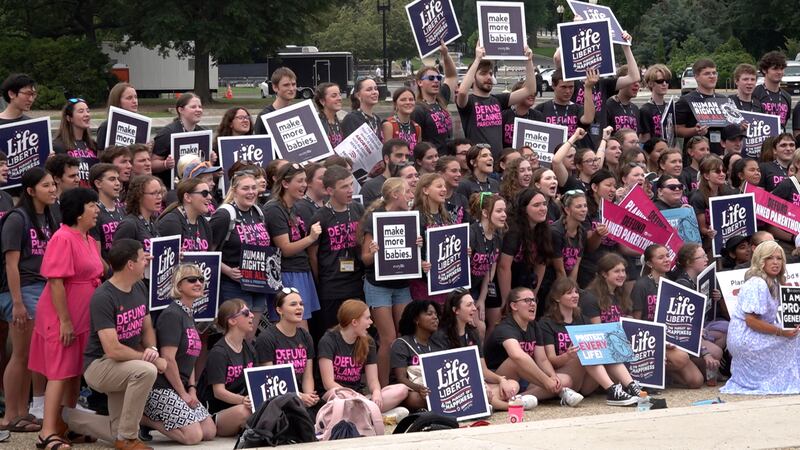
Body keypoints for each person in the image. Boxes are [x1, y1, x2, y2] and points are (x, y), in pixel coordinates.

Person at [29, 188, 104, 449]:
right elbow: (57, 282)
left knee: (74, 373)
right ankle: (47, 431)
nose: (97, 210)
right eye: (92, 205)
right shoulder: (62, 237)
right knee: (59, 373)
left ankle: (67, 425)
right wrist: (65, 321)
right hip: (63, 315)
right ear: (78, 210)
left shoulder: (87, 237)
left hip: (84, 315)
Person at [78, 238, 164, 450]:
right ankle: (128, 438)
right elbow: (112, 349)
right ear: (130, 264)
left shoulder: (139, 288)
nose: (147, 262)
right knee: (146, 371)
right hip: (100, 365)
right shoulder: (103, 297)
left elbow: (147, 329)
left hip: (124, 363)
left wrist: (152, 350)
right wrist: (149, 359)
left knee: (112, 433)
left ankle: (70, 420)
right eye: (143, 258)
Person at [0, 168, 58, 433]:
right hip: (21, 289)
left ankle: (23, 412)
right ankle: (10, 413)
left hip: (43, 288)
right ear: (31, 190)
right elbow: (11, 265)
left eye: (53, 185)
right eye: (46, 186)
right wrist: (18, 302)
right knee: (21, 354)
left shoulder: (48, 216)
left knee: (33, 355)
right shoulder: (17, 218)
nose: (53, 189)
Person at [142, 264, 216, 444]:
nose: (198, 283)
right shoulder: (172, 315)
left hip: (181, 386)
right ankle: (142, 418)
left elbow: (190, 358)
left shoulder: (189, 315)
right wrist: (182, 393)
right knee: (193, 436)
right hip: (161, 387)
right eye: (191, 280)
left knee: (209, 431)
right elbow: (168, 358)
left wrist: (192, 389)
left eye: (201, 279)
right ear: (179, 285)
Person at [538, 278, 640, 405]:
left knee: (607, 348)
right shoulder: (546, 323)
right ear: (557, 298)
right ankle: (612, 391)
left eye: (576, 292)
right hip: (563, 375)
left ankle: (633, 387)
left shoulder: (583, 319)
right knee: (588, 351)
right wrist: (567, 355)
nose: (575, 295)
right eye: (569, 293)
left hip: (586, 382)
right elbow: (551, 359)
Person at [358, 178, 418, 385]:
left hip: (401, 285)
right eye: (408, 192)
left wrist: (417, 244)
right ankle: (381, 388)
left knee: (404, 335)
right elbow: (364, 258)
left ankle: (404, 382)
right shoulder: (374, 219)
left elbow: (410, 255)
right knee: (388, 338)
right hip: (378, 286)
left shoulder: (409, 217)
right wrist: (374, 253)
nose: (411, 196)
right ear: (395, 195)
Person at [484, 286, 584, 407]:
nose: (533, 304)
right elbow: (517, 356)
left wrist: (552, 376)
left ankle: (522, 398)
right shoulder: (505, 328)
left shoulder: (534, 326)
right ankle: (558, 391)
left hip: (525, 378)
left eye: (534, 300)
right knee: (516, 360)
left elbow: (542, 359)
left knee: (565, 380)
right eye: (527, 300)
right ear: (514, 306)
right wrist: (546, 381)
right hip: (501, 378)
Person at [721, 241, 800, 394]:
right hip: (746, 337)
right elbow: (751, 321)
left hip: (754, 333)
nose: (776, 262)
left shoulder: (773, 282)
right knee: (795, 338)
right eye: (770, 258)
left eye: (779, 258)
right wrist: (781, 332)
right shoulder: (757, 283)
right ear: (760, 260)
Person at [432, 289, 520, 411]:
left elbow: (483, 369)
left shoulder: (473, 333)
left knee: (512, 384)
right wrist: (481, 384)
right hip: (455, 388)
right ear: (455, 310)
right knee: (482, 390)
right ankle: (510, 406)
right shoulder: (441, 336)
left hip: (476, 384)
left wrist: (501, 379)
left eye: (473, 304)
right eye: (469, 305)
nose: (474, 308)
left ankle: (487, 403)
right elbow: (447, 376)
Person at [631, 244, 704, 388]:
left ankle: (664, 373)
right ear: (650, 263)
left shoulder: (672, 282)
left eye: (667, 256)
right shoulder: (641, 285)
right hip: (650, 339)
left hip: (671, 338)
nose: (666, 260)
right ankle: (647, 372)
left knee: (696, 381)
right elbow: (636, 321)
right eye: (660, 257)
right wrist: (661, 341)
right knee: (682, 358)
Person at [318, 300, 409, 414]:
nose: (371, 322)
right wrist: (357, 397)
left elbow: (373, 380)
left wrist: (376, 393)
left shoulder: (368, 341)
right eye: (367, 318)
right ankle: (372, 413)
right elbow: (328, 384)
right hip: (336, 396)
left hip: (360, 397)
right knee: (338, 394)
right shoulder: (328, 340)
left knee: (402, 389)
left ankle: (366, 413)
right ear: (354, 322)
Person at [308, 165, 365, 342]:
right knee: (333, 334)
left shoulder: (357, 209)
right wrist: (321, 281)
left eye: (351, 184)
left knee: (357, 333)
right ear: (330, 190)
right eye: (344, 187)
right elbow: (313, 255)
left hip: (356, 283)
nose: (350, 190)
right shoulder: (320, 216)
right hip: (331, 286)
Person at [209, 171, 270, 336]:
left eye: (253, 188)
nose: (251, 192)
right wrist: (228, 270)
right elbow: (207, 252)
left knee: (249, 336)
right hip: (233, 285)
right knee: (235, 336)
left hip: (258, 284)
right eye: (245, 188)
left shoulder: (259, 212)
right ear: (234, 190)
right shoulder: (224, 215)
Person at [263, 163, 322, 327]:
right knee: (295, 329)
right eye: (300, 181)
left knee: (302, 331)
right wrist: (310, 238)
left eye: (305, 181)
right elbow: (286, 249)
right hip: (286, 274)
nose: (304, 185)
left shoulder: (295, 207)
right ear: (285, 183)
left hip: (301, 271)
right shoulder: (274, 209)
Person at [456, 43, 537, 158]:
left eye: (490, 73)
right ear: (473, 78)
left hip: (499, 163)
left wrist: (528, 60)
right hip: (478, 162)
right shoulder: (468, 102)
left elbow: (530, 89)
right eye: (483, 74)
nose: (489, 77)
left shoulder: (498, 100)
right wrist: (477, 59)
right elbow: (462, 91)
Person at [255, 288, 319, 407]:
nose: (299, 307)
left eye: (301, 304)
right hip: (276, 400)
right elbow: (271, 379)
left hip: (301, 397)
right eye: (293, 304)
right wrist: (298, 396)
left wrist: (309, 397)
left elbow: (307, 375)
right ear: (279, 310)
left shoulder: (305, 336)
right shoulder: (266, 338)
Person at [202, 299, 256, 437]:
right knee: (244, 412)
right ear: (232, 321)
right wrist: (242, 400)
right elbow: (219, 392)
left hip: (240, 405)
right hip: (216, 413)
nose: (252, 315)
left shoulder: (249, 348)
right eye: (245, 313)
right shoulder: (219, 352)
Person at [497, 188, 553, 316]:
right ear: (524, 209)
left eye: (544, 204)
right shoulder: (513, 231)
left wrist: (533, 296)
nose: (543, 208)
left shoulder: (544, 230)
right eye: (536, 205)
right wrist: (508, 302)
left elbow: (541, 263)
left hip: (525, 281)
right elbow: (503, 267)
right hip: (503, 283)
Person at [390, 300, 443, 410]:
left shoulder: (438, 344)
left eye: (436, 314)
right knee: (413, 398)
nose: (435, 317)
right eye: (429, 314)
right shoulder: (401, 344)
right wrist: (419, 388)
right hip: (412, 390)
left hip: (435, 390)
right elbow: (401, 378)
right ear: (416, 319)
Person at [675, 59, 730, 155]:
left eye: (714, 73)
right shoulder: (685, 100)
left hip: (718, 153)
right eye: (707, 74)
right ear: (696, 77)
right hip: (695, 155)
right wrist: (695, 131)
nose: (712, 76)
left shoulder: (723, 99)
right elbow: (677, 129)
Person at [469, 193, 506, 337]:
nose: (504, 215)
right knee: (480, 328)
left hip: (478, 289)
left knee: (492, 323)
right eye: (498, 211)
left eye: (504, 211)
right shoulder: (472, 234)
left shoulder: (497, 237)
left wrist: (482, 299)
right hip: (461, 290)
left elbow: (490, 270)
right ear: (485, 213)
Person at [152, 93, 206, 188]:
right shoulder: (167, 133)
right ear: (181, 110)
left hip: (195, 187)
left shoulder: (203, 132)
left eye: (200, 107)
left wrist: (210, 158)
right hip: (171, 188)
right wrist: (165, 164)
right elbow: (151, 163)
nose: (198, 110)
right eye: (193, 107)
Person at [413, 44, 457, 152]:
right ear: (420, 82)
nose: (436, 81)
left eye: (438, 78)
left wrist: (445, 54)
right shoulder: (417, 109)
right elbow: (415, 142)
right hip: (433, 162)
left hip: (448, 160)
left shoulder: (441, 99)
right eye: (431, 78)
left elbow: (451, 76)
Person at [688, 156, 737, 249]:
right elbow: (702, 229)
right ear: (706, 176)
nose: (722, 174)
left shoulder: (727, 192)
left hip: (727, 237)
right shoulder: (698, 197)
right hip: (707, 243)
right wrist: (708, 232)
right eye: (717, 171)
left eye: (724, 171)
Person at [534, 69, 597, 138]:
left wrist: (588, 88)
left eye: (571, 87)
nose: (568, 91)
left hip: (574, 147)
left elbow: (588, 119)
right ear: (553, 86)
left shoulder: (578, 109)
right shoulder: (541, 108)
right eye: (563, 87)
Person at [157, 178, 213, 252]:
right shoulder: (171, 223)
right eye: (205, 193)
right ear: (187, 197)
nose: (210, 197)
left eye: (209, 193)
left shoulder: (203, 222)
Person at [53, 98, 97, 188]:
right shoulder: (58, 146)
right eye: (81, 111)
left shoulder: (93, 145)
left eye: (88, 111)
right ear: (69, 118)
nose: (86, 114)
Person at [114, 175, 163, 254]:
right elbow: (116, 257)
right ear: (139, 196)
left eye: (160, 192)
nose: (159, 197)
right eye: (154, 193)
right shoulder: (129, 224)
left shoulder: (152, 221)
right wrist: (139, 257)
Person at [89, 163, 123, 266]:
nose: (118, 183)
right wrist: (111, 277)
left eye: (118, 179)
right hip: (108, 275)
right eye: (112, 179)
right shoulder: (93, 213)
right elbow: (96, 254)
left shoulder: (124, 210)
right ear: (98, 184)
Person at [580, 253, 630, 324]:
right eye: (617, 271)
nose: (622, 275)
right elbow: (596, 329)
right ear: (604, 274)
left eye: (623, 270)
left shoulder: (622, 294)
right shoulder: (590, 297)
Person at [360, 139, 410, 206]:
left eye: (406, 156)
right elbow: (364, 214)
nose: (404, 160)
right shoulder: (370, 187)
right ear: (387, 159)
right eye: (399, 155)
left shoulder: (412, 182)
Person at [551, 190, 587, 282]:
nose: (584, 209)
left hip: (568, 284)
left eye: (585, 206)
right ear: (567, 210)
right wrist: (568, 291)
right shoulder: (556, 232)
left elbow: (576, 266)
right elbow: (559, 271)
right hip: (552, 283)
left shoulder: (582, 231)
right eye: (579, 206)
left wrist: (572, 289)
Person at [501, 79, 545, 148]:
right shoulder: (503, 116)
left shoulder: (538, 116)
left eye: (534, 93)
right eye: (528, 93)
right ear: (516, 95)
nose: (532, 95)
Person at [253, 67, 297, 135]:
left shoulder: (298, 113)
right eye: (286, 85)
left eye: (293, 84)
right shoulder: (264, 116)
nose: (291, 88)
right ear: (275, 87)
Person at [96, 83, 140, 149]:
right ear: (118, 101)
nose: (135, 101)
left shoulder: (140, 125)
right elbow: (100, 156)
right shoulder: (106, 127)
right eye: (129, 98)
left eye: (135, 97)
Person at [753, 51, 791, 127]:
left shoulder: (787, 97)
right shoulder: (755, 93)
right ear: (764, 70)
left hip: (780, 137)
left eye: (782, 69)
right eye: (775, 69)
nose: (779, 72)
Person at [601, 66, 641, 134]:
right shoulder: (607, 106)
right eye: (633, 81)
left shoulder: (635, 108)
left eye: (639, 81)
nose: (637, 84)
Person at [639, 65, 671, 142]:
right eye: (660, 81)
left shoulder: (669, 107)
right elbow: (645, 140)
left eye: (667, 81)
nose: (664, 84)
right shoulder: (645, 110)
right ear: (650, 84)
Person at [436, 156, 469, 224]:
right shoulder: (432, 199)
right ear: (440, 174)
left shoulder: (462, 199)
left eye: (459, 171)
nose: (459, 174)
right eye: (454, 171)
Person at [314, 83, 344, 148]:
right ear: (322, 101)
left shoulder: (340, 123)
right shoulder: (317, 124)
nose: (339, 98)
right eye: (334, 96)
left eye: (340, 95)